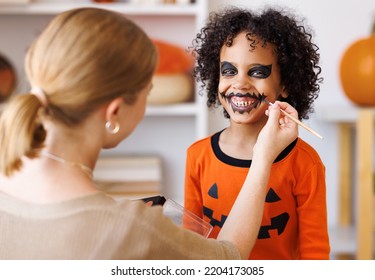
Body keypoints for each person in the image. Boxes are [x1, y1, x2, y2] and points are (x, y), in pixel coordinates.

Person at [0, 7, 298, 260]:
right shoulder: (127, 229)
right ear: (115, 112)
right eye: (149, 91)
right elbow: (227, 260)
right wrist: (263, 158)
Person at [184, 7, 330, 259]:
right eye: (229, 71)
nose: (240, 83)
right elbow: (190, 243)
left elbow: (314, 252)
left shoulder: (306, 163)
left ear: (284, 85)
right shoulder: (198, 155)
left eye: (257, 72)